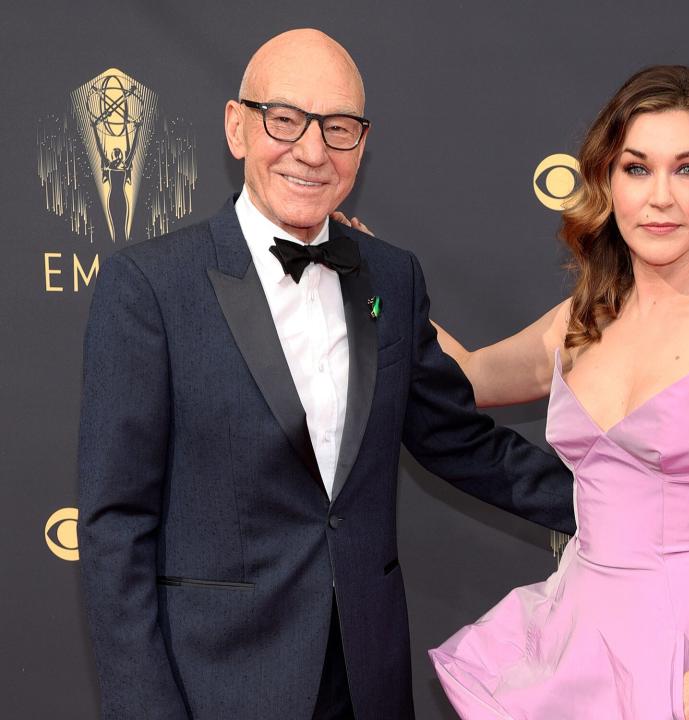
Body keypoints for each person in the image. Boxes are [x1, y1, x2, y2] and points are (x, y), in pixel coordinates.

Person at [77, 28, 574, 720]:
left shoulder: (393, 278)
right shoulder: (151, 288)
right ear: (236, 126)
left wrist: (622, 504)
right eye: (285, 120)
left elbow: (462, 443)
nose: (312, 151)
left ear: (362, 144)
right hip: (217, 688)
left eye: (338, 128)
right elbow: (115, 525)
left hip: (365, 680)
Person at [427, 66, 689, 719]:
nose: (660, 197)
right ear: (606, 183)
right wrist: (375, 288)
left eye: (688, 169)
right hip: (581, 629)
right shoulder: (586, 314)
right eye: (636, 169)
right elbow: (466, 377)